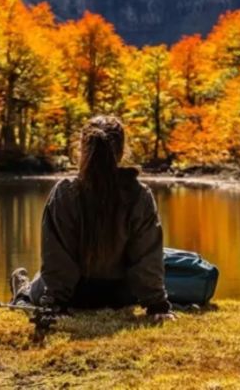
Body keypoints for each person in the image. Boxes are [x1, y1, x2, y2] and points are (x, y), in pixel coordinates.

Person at [10, 115, 176, 322]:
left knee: (37, 282)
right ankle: (24, 286)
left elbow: (56, 256)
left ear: (82, 150)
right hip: (121, 296)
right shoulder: (139, 194)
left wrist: (55, 305)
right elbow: (147, 255)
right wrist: (156, 305)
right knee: (40, 280)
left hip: (74, 297)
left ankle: (22, 291)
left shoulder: (64, 192)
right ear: (122, 151)